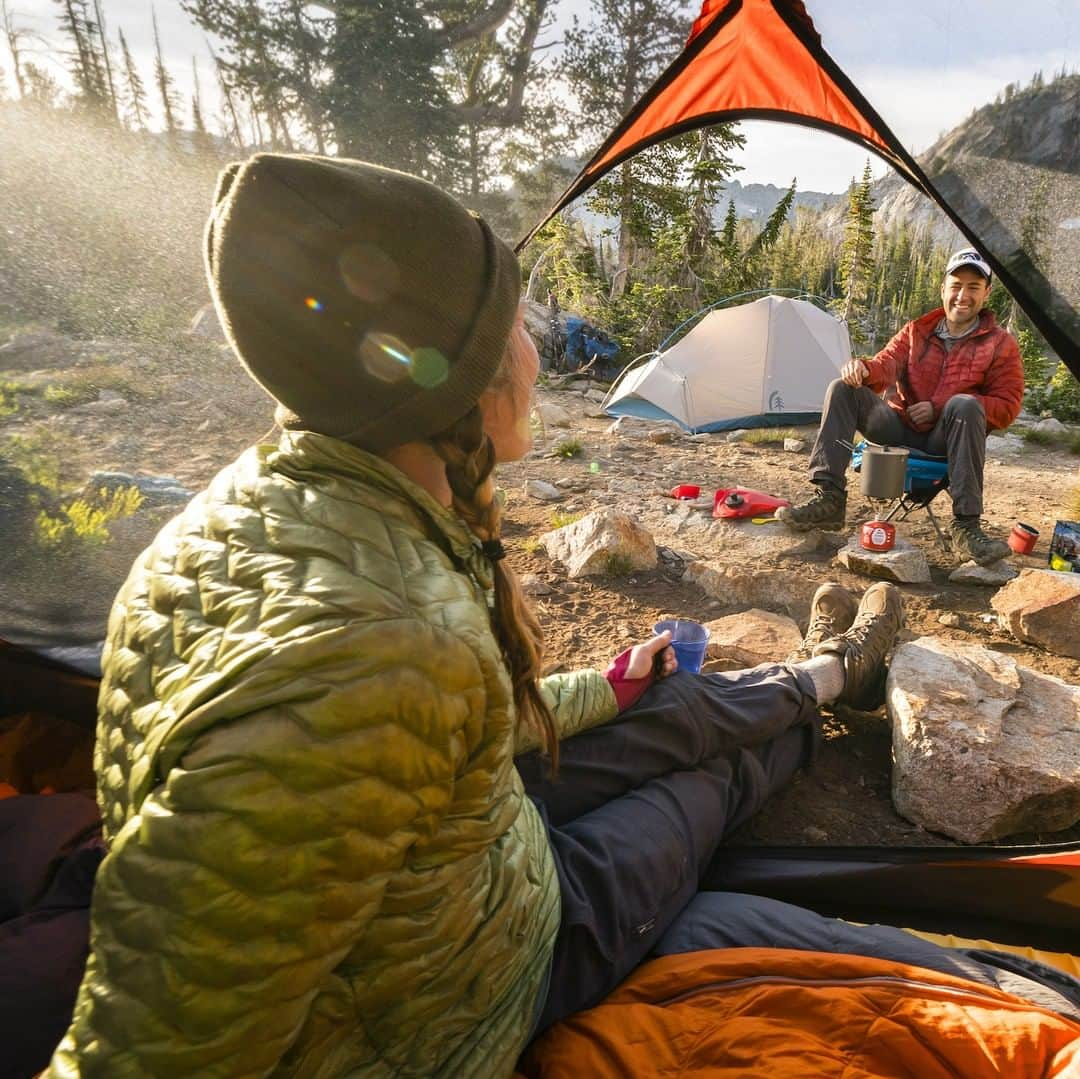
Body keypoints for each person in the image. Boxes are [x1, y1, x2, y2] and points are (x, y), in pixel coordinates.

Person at [44, 153, 916, 1078]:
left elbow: (451, 721)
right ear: (444, 380)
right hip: (490, 973)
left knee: (673, 704)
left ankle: (828, 676)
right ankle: (812, 709)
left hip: (463, 847)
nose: (537, 355)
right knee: (706, 784)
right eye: (515, 329)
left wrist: (612, 682)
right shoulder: (364, 660)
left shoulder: (284, 506)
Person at [776, 248, 1025, 565]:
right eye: (956, 285)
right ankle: (830, 499)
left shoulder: (1000, 344)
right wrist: (864, 370)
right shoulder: (916, 332)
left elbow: (1007, 406)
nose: (963, 295)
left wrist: (939, 407)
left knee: (964, 405)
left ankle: (966, 526)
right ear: (943, 289)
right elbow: (885, 365)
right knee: (843, 388)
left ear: (986, 293)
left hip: (945, 440)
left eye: (973, 287)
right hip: (896, 427)